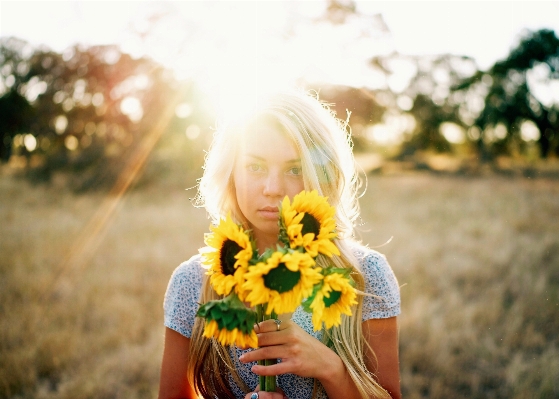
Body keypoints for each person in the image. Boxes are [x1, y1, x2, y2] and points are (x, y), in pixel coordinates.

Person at [158, 90, 401, 399]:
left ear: (322, 176)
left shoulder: (365, 275)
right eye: (255, 167)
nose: (273, 189)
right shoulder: (193, 282)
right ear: (231, 173)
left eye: (295, 169)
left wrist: (332, 369)